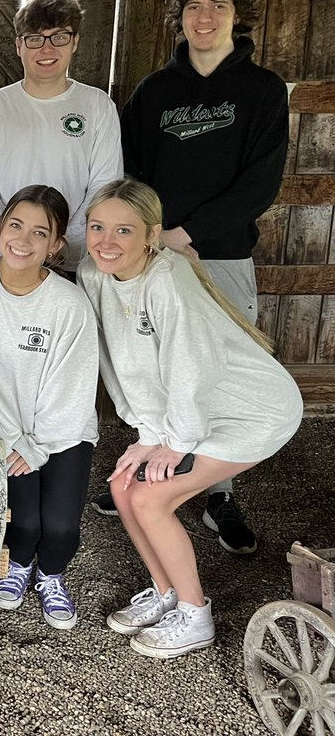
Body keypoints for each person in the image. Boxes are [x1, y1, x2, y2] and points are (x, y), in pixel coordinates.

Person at [79, 178, 301, 659]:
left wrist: (175, 441)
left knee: (151, 499)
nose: (106, 242)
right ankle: (167, 594)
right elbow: (117, 362)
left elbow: (188, 366)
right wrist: (147, 434)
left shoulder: (167, 278)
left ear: (151, 234)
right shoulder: (93, 274)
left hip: (250, 409)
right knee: (121, 487)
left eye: (123, 230)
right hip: (190, 411)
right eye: (97, 227)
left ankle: (196, 615)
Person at [113, 0, 289, 554]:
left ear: (238, 18)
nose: (204, 17)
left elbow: (260, 184)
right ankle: (155, 469)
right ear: (179, 19)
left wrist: (190, 232)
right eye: (193, 7)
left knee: (219, 372)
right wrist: (151, 236)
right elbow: (131, 173)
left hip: (220, 256)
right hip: (155, 257)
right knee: (158, 361)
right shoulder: (155, 93)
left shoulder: (261, 90)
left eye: (217, 6)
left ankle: (220, 495)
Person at [0, 185, 99, 630]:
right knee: (24, 521)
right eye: (15, 225)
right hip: (4, 429)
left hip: (63, 429)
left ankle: (51, 575)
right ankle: (19, 564)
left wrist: (38, 444)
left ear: (55, 245)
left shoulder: (68, 304)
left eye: (39, 232)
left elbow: (73, 387)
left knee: (62, 528)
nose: (23, 240)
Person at [0, 0, 123, 272]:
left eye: (59, 37)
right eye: (35, 39)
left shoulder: (97, 105)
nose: (46, 49)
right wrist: (13, 236)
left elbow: (105, 184)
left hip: (71, 258)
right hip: (2, 258)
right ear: (18, 46)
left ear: (74, 42)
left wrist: (60, 240)